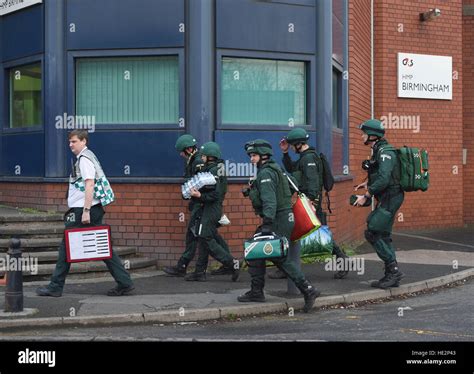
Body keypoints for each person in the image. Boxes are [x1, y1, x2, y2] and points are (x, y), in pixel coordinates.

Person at [36, 130, 134, 297]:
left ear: (83, 141)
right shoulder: (88, 156)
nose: (70, 145)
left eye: (74, 141)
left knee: (66, 246)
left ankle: (55, 286)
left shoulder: (84, 159)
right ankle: (124, 282)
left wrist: (86, 211)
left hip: (83, 209)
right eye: (69, 142)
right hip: (88, 208)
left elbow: (89, 185)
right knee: (103, 248)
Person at [238, 139, 319, 313]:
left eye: (254, 155)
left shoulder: (266, 173)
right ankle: (256, 292)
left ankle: (308, 290)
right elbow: (289, 189)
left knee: (278, 257)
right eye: (250, 155)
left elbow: (269, 200)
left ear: (263, 156)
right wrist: (252, 190)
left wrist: (267, 223)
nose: (251, 159)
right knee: (255, 253)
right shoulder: (276, 169)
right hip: (281, 217)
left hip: (277, 220)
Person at [280, 128, 349, 279]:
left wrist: (310, 202)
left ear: (299, 144)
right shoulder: (305, 157)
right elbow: (292, 169)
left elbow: (312, 183)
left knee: (309, 232)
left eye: (292, 145)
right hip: (306, 200)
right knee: (313, 233)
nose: (291, 147)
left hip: (309, 201)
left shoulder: (309, 158)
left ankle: (342, 259)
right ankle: (342, 259)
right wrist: (285, 153)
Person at [163, 135, 233, 277]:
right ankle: (228, 264)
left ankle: (183, 266)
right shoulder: (195, 160)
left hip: (201, 204)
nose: (181, 154)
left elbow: (203, 186)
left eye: (182, 151)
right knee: (210, 235)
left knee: (194, 234)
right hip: (202, 204)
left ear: (188, 149)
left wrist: (195, 196)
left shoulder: (198, 162)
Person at [353, 119, 404, 288]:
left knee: (373, 232)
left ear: (372, 135)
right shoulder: (378, 150)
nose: (362, 136)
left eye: (364, 133)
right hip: (388, 196)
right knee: (383, 234)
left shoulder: (385, 152)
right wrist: (367, 184)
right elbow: (380, 175)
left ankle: (393, 271)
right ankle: (392, 274)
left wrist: (366, 195)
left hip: (391, 197)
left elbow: (384, 178)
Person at [184, 141, 240, 282]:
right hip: (209, 208)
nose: (201, 158)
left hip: (211, 209)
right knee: (203, 239)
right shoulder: (216, 168)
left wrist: (199, 196)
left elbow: (216, 194)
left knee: (205, 238)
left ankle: (232, 264)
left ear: (210, 157)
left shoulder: (214, 171)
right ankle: (199, 272)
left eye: (204, 155)